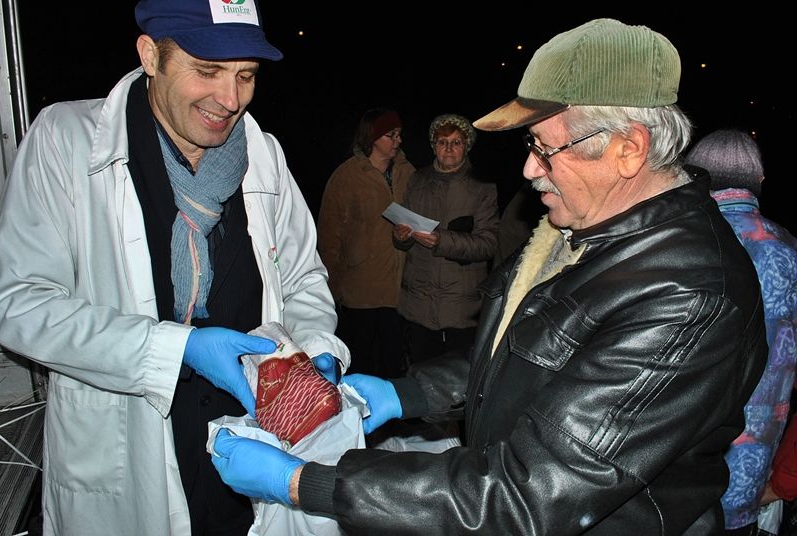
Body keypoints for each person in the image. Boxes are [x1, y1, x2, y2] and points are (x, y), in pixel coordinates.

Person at [210, 18, 768, 534]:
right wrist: (406, 394)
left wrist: (307, 483)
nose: (529, 170)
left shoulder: (687, 295)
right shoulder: (581, 229)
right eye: (531, 146)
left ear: (627, 150)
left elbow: (527, 496)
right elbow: (523, 356)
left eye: (547, 150)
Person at [0, 1, 349, 534]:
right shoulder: (65, 141)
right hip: (132, 449)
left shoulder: (266, 154)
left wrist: (315, 351)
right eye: (206, 70)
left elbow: (302, 278)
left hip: (249, 445)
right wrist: (176, 348)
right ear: (149, 56)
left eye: (246, 76)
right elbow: (19, 303)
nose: (230, 100)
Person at [684, 129, 797, 534]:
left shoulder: (676, 241)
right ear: (761, 181)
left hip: (666, 475)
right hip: (747, 477)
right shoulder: (788, 249)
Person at [392, 113, 499, 365]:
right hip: (418, 305)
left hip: (461, 308)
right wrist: (401, 236)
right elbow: (402, 234)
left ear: (467, 146)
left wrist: (441, 241)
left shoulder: (482, 187)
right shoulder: (417, 181)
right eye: (442, 142)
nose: (448, 148)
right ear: (433, 146)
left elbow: (488, 244)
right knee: (419, 376)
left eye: (456, 142)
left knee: (458, 384)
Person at [317, 108, 415, 377]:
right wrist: (330, 289)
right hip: (360, 294)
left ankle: (390, 419)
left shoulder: (409, 173)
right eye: (391, 135)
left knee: (392, 369)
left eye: (399, 135)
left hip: (400, 292)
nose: (398, 141)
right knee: (359, 366)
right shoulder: (346, 177)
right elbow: (329, 235)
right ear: (372, 137)